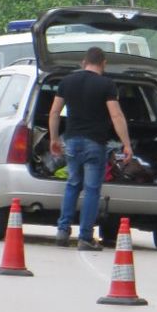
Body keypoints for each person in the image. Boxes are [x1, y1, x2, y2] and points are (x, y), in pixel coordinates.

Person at [49, 46, 132, 251]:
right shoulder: (107, 85)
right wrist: (127, 144)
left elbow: (54, 112)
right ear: (103, 63)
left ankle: (62, 230)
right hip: (95, 143)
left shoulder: (67, 82)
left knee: (72, 184)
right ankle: (85, 237)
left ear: (83, 63)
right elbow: (116, 116)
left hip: (72, 142)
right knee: (92, 190)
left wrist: (53, 139)